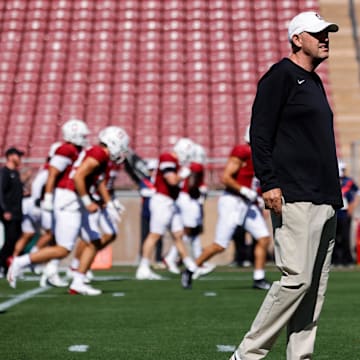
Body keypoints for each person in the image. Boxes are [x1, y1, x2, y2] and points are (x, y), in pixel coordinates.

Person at [230, 11, 343, 360]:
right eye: (317, 33)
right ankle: (246, 355)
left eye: (327, 33)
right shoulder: (279, 76)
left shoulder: (314, 81)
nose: (325, 38)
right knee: (297, 280)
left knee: (314, 291)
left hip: (324, 196)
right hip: (295, 194)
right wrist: (269, 183)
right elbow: (259, 134)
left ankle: (300, 357)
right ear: (297, 39)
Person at [7, 119, 89, 288]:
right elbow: (48, 177)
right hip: (52, 202)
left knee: (59, 240)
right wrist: (46, 199)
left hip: (60, 200)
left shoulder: (73, 151)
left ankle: (49, 269)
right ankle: (25, 261)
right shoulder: (65, 151)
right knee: (56, 240)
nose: (84, 138)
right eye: (82, 135)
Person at [193, 128, 271, 290]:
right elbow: (225, 177)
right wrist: (243, 190)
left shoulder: (262, 155)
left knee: (263, 238)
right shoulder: (243, 151)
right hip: (233, 201)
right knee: (220, 245)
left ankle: (259, 278)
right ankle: (191, 268)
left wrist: (258, 198)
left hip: (248, 204)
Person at [68, 126, 129, 295]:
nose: (122, 152)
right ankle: (75, 269)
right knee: (71, 243)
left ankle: (78, 274)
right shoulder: (99, 153)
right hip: (77, 199)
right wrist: (89, 201)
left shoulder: (103, 156)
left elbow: (100, 182)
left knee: (97, 238)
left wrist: (110, 203)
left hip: (85, 198)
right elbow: (80, 177)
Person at [135, 137, 198, 288]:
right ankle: (143, 267)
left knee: (178, 234)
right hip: (162, 201)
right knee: (155, 234)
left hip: (170, 201)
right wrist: (184, 174)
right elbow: (172, 180)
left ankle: (190, 265)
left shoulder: (174, 161)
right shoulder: (167, 157)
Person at [0, 147, 25, 276]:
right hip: (9, 213)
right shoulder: (4, 173)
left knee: (16, 240)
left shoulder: (15, 173)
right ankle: (2, 264)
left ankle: (9, 266)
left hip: (17, 212)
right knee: (10, 241)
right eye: (17, 155)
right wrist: (4, 210)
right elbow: (1, 193)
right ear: (10, 156)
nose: (20, 158)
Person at [332, 160, 359, 266]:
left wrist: (353, 206)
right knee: (333, 237)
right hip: (334, 212)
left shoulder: (348, 181)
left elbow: (357, 192)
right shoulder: (331, 181)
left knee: (345, 237)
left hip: (344, 212)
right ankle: (334, 259)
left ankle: (346, 259)